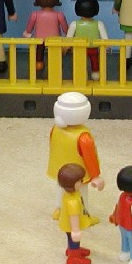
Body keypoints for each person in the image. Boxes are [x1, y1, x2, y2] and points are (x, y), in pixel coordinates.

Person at [47, 91, 105, 220]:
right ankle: (84, 215)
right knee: (81, 194)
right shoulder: (83, 137)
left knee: (61, 189)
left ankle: (60, 210)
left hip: (60, 171)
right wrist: (95, 175)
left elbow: (53, 147)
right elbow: (90, 158)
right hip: (78, 174)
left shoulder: (55, 129)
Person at [54, 163, 95, 264]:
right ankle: (74, 257)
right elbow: (74, 216)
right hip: (72, 226)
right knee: (74, 239)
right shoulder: (72, 202)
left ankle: (72, 250)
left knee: (72, 239)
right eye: (80, 181)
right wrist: (75, 230)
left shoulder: (70, 195)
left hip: (68, 224)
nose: (82, 182)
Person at [23, 0, 68, 73]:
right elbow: (65, 28)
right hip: (55, 39)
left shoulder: (35, 14)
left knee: (40, 51)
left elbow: (29, 28)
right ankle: (54, 64)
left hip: (40, 39)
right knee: (54, 52)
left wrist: (27, 33)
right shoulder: (59, 15)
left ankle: (39, 64)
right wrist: (67, 33)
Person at [66, 0, 108, 81]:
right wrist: (106, 45)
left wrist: (68, 46)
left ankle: (85, 74)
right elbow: (105, 38)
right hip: (91, 48)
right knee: (94, 61)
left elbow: (68, 38)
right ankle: (95, 73)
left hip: (80, 48)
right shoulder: (99, 24)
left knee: (84, 62)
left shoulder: (74, 24)